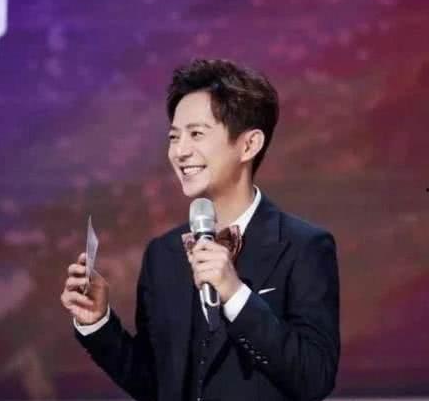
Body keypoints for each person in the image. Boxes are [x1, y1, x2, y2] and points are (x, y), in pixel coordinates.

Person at [60, 59, 340, 401]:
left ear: (249, 145)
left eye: (196, 134)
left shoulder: (303, 246)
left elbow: (314, 378)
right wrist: (97, 322)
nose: (180, 152)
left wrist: (235, 294)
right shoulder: (162, 254)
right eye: (173, 137)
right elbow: (154, 384)